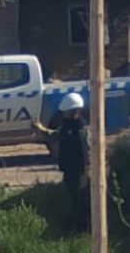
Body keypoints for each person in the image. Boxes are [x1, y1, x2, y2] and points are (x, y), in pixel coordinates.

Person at [34, 92, 89, 225]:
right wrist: (44, 130)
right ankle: (74, 221)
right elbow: (57, 134)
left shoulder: (81, 128)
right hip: (68, 167)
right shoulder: (67, 125)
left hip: (78, 169)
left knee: (79, 197)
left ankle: (81, 224)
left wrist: (87, 167)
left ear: (74, 112)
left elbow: (87, 149)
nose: (63, 114)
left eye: (66, 112)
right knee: (71, 195)